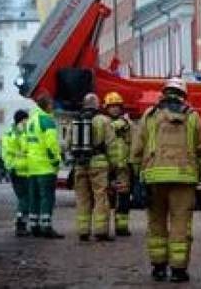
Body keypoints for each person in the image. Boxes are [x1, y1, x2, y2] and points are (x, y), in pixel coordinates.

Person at [131, 77, 201, 283]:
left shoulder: (150, 115)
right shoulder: (192, 116)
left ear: (164, 93)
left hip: (154, 179)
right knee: (180, 224)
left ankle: (158, 268)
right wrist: (197, 172)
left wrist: (138, 176)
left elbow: (137, 149)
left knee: (156, 223)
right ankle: (178, 270)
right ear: (183, 95)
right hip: (184, 179)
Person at [69, 93, 113, 242]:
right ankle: (100, 230)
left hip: (80, 165)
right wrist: (115, 165)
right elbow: (111, 144)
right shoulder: (103, 120)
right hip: (98, 164)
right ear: (97, 104)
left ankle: (83, 230)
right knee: (100, 196)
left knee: (82, 198)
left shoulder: (75, 120)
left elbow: (69, 144)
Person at [26, 94, 64, 239]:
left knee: (34, 198)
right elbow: (51, 145)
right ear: (47, 105)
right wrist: (56, 161)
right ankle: (46, 226)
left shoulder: (32, 120)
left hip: (32, 167)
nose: (52, 106)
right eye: (51, 104)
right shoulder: (47, 120)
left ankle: (34, 226)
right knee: (47, 198)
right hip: (45, 166)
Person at [104, 92, 133, 237]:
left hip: (123, 167)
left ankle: (122, 227)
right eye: (111, 106)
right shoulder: (104, 123)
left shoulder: (127, 124)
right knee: (105, 199)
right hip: (106, 167)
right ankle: (103, 227)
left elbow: (134, 141)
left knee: (123, 198)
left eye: (117, 106)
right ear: (106, 108)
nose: (114, 109)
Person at [2, 109, 30, 237]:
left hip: (12, 168)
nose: (28, 122)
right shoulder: (21, 132)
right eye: (26, 119)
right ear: (22, 120)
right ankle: (20, 224)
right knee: (25, 198)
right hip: (22, 169)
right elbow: (26, 148)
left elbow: (5, 152)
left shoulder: (8, 132)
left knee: (21, 198)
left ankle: (21, 224)